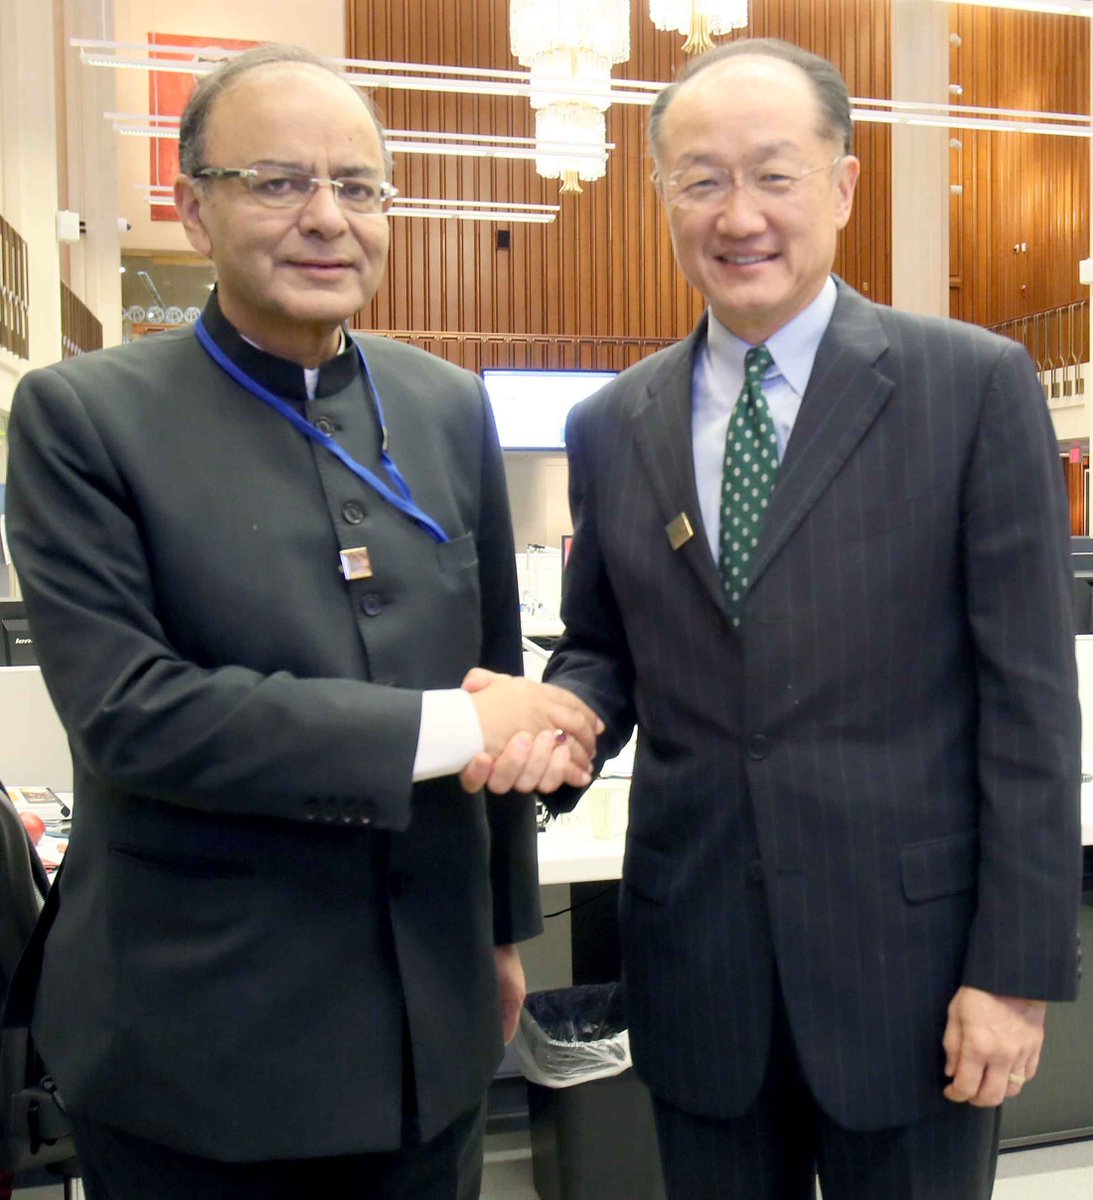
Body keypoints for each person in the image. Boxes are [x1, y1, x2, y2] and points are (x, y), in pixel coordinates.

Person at [466, 36, 1082, 1200]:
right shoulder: (613, 423)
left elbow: (1031, 708)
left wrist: (1012, 972)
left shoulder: (970, 387)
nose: (738, 214)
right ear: (663, 198)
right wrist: (554, 717)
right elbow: (606, 649)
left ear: (841, 186)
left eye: (774, 174)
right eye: (701, 179)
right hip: (697, 963)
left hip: (915, 971)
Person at [4, 43, 602, 1200]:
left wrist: (499, 934)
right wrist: (449, 730)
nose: (326, 217)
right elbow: (134, 714)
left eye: (357, 186)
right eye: (277, 182)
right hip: (201, 1040)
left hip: (429, 1029)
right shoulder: (85, 419)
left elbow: (491, 669)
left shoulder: (443, 404)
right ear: (193, 208)